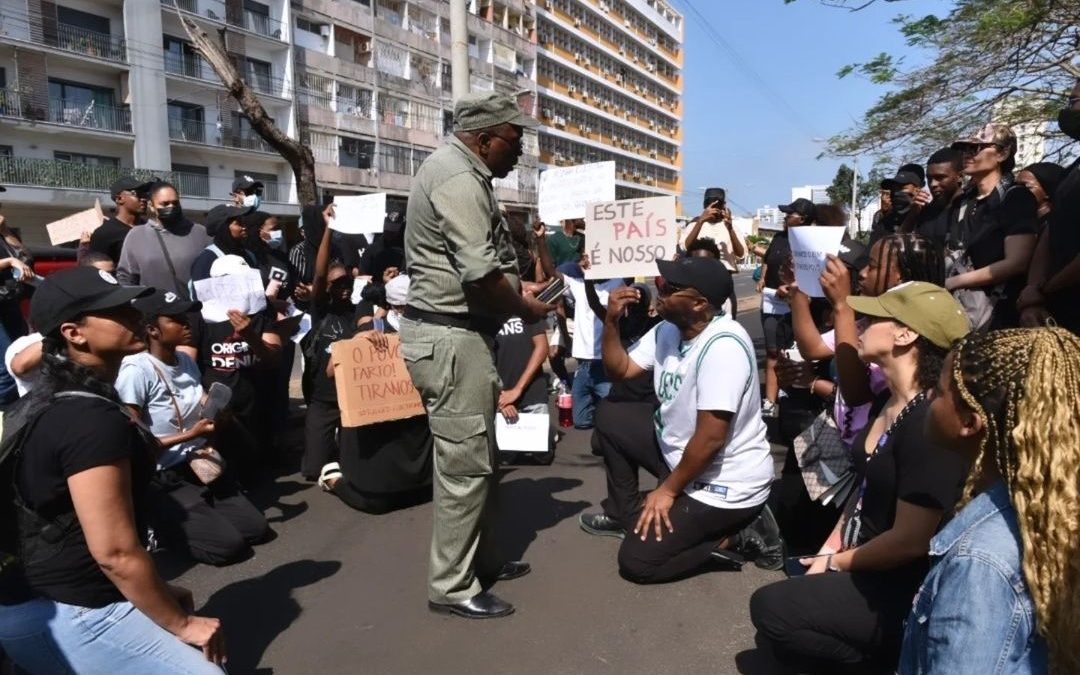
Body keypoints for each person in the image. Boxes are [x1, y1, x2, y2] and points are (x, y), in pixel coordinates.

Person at [0, 267, 226, 673]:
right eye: (116, 310)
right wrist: (182, 624)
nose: (135, 315)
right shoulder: (89, 418)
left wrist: (158, 591)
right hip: (64, 608)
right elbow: (116, 553)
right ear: (74, 333)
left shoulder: (59, 401)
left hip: (45, 597)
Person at [750, 282, 971, 674]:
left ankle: (890, 660)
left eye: (874, 316)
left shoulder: (928, 424)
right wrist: (828, 549)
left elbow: (909, 543)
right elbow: (863, 490)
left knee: (770, 611)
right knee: (780, 623)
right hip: (865, 557)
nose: (861, 322)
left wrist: (837, 562)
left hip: (900, 582)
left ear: (906, 335)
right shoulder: (890, 399)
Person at [400, 90, 552, 619]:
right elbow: (482, 275)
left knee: (480, 459)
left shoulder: (466, 173)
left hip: (463, 337)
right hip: (452, 337)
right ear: (485, 138)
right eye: (515, 139)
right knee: (465, 468)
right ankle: (452, 585)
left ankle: (480, 560)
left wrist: (519, 295)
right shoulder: (459, 179)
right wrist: (526, 309)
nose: (520, 149)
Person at [578, 257, 773, 583]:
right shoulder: (668, 329)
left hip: (724, 482)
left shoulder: (723, 346)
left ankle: (743, 536)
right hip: (682, 454)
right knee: (610, 415)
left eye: (671, 287)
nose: (660, 287)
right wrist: (611, 321)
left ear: (699, 304)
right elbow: (620, 370)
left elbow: (711, 438)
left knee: (637, 563)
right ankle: (626, 515)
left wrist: (667, 491)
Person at [899, 328, 1080, 674]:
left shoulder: (978, 564)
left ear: (969, 423)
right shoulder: (1052, 513)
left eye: (938, 390)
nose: (927, 398)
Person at [116, 290, 270, 565]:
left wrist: (215, 410)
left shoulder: (185, 361)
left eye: (185, 317)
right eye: (176, 320)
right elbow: (133, 442)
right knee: (228, 547)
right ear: (152, 329)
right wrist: (192, 434)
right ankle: (158, 528)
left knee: (256, 530)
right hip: (163, 475)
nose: (186, 324)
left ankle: (201, 516)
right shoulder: (136, 371)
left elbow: (199, 400)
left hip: (198, 464)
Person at [318, 273, 433, 514]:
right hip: (379, 429)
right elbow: (331, 371)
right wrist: (357, 341)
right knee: (374, 504)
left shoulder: (430, 327)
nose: (408, 311)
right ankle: (333, 478)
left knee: (425, 492)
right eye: (403, 306)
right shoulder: (374, 329)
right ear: (392, 305)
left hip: (415, 425)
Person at [188, 255, 283, 478]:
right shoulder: (199, 313)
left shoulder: (261, 307)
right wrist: (199, 396)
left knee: (251, 458)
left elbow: (273, 356)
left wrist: (250, 335)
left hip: (254, 395)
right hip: (216, 398)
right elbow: (187, 360)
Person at [945, 123, 1038, 329]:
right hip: (958, 310)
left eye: (976, 148)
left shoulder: (1015, 198)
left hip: (998, 314)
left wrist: (954, 282)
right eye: (965, 149)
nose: (968, 154)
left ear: (1002, 154)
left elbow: (1017, 262)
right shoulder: (963, 202)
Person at [532, 232, 621, 429]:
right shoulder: (578, 285)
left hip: (604, 364)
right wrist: (540, 240)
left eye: (590, 256)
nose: (585, 260)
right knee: (580, 422)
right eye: (583, 256)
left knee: (612, 419)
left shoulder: (617, 284)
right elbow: (551, 271)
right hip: (583, 366)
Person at [1018, 79, 1080, 333]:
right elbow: (1050, 232)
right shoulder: (1073, 171)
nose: (1068, 109)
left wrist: (1043, 289)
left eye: (1074, 101)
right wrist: (1033, 290)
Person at [757, 197, 813, 417]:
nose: (786, 217)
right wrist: (763, 279)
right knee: (773, 349)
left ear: (804, 219)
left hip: (798, 303)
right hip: (772, 302)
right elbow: (768, 261)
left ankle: (790, 391)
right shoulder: (779, 237)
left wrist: (792, 289)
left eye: (791, 214)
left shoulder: (809, 241)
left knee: (793, 350)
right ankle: (770, 401)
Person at [117, 181, 210, 298]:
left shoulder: (199, 232)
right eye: (164, 204)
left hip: (193, 310)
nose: (171, 207)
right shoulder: (137, 235)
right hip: (153, 311)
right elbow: (126, 277)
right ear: (151, 205)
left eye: (175, 203)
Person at [682, 187, 745, 316]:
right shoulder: (694, 225)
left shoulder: (731, 226)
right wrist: (700, 221)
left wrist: (730, 229)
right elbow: (685, 247)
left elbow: (741, 253)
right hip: (698, 282)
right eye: (710, 203)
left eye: (718, 204)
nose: (715, 207)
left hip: (724, 281)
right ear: (704, 205)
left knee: (727, 320)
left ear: (724, 206)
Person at [89, 177, 152, 265]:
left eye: (145, 195)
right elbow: (97, 271)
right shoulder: (104, 233)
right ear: (119, 199)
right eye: (137, 194)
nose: (144, 199)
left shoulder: (151, 229)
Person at [190, 204, 257, 284]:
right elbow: (200, 293)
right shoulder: (207, 258)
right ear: (223, 228)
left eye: (244, 222)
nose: (244, 227)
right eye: (239, 223)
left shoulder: (250, 255)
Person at [870, 167, 924, 245]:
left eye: (902, 188)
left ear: (917, 190)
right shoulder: (884, 223)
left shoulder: (928, 218)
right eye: (894, 189)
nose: (896, 193)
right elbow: (870, 252)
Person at [1015, 162, 1064, 235]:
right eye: (1015, 186)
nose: (1016, 191)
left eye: (1026, 187)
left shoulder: (1057, 225)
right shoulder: (1016, 220)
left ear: (1047, 191)